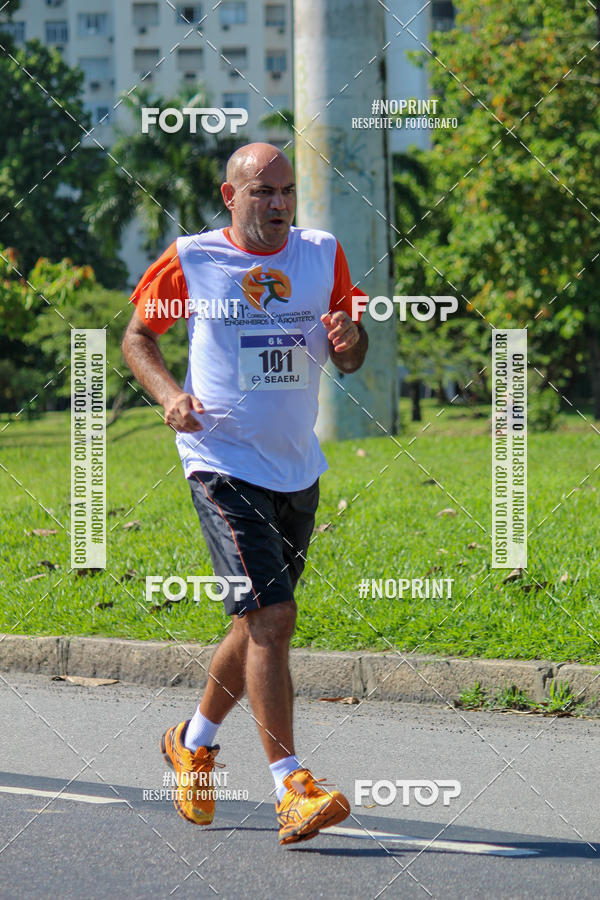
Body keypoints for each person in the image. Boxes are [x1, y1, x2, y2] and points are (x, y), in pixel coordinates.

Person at [122, 142, 368, 845]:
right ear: (230, 198)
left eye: (286, 191)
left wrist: (351, 338)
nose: (279, 204)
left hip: (297, 467)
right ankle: (291, 787)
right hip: (221, 461)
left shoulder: (321, 254)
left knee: (253, 620)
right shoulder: (194, 258)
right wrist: (170, 396)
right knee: (273, 618)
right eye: (263, 193)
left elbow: (351, 352)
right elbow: (139, 335)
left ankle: (191, 742)